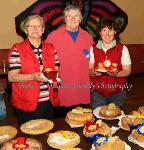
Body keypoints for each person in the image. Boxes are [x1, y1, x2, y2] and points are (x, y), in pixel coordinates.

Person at [8, 14, 60, 125]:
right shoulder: (17, 48)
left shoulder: (51, 47)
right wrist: (33, 76)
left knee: (47, 134)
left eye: (38, 26)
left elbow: (56, 72)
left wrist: (54, 79)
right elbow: (11, 76)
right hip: (26, 104)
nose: (35, 29)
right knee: (28, 137)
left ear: (43, 29)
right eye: (31, 26)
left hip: (48, 102)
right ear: (25, 30)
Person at [46, 5, 93, 116]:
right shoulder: (53, 36)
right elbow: (45, 57)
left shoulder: (88, 37)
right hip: (62, 87)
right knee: (61, 121)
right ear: (64, 19)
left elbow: (90, 57)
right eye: (69, 16)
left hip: (81, 86)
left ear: (81, 19)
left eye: (76, 16)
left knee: (81, 119)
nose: (72, 19)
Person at [89, 18, 131, 110]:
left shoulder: (122, 49)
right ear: (100, 32)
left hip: (117, 93)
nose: (107, 34)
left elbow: (127, 71)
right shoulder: (93, 48)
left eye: (110, 30)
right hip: (97, 94)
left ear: (115, 31)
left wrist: (117, 73)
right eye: (104, 30)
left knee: (116, 120)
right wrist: (95, 73)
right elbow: (90, 70)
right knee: (98, 120)